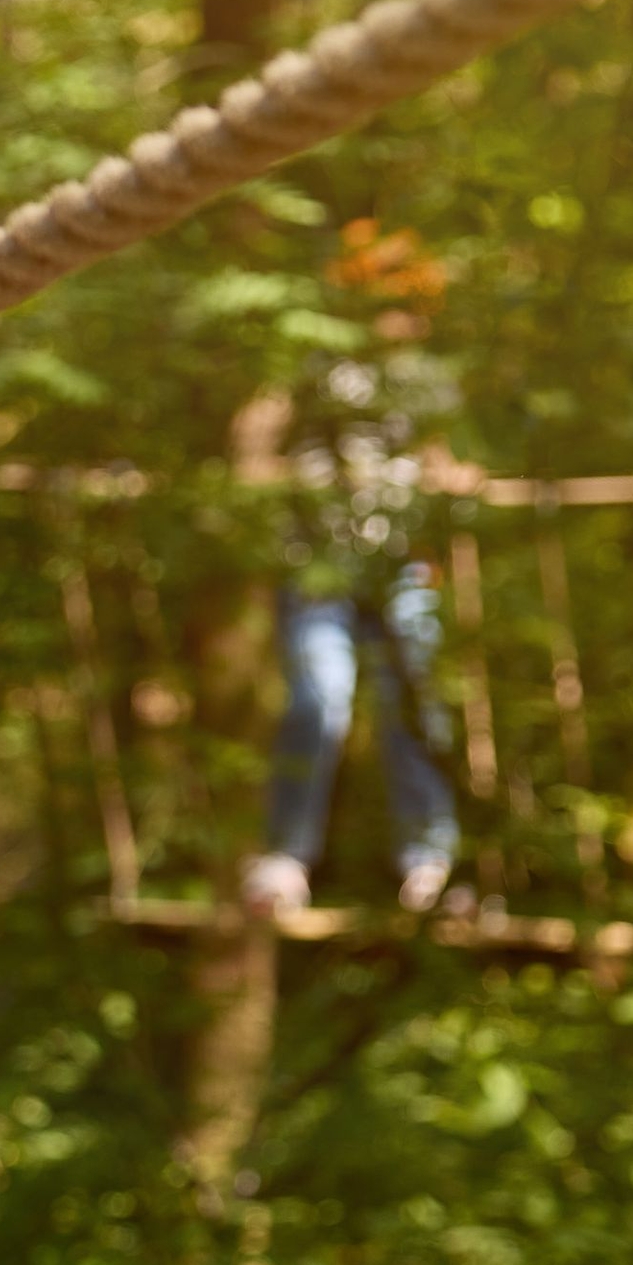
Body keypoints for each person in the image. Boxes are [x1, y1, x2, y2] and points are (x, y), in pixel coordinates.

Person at [242, 312, 466, 916]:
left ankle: (429, 859)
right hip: (320, 562)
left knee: (415, 698)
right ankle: (286, 858)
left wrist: (455, 483)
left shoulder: (424, 378)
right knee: (321, 700)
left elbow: (435, 450)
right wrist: (259, 476)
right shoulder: (312, 359)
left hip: (402, 560)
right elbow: (260, 431)